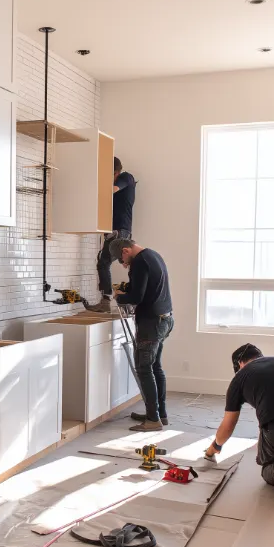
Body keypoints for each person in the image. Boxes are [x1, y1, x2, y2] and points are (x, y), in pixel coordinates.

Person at [205, 345, 274, 498]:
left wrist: (214, 447)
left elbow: (228, 425)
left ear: (240, 364)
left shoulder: (239, 378)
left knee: (267, 467)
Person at [109, 237, 174, 432]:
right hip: (164, 319)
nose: (123, 264)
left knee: (144, 369)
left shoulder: (139, 262)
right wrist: (128, 289)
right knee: (155, 368)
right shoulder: (153, 255)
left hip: (151, 323)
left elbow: (137, 297)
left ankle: (153, 420)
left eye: (121, 260)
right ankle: (160, 414)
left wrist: (120, 296)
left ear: (125, 251)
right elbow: (146, 288)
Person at [90, 157, 136, 313]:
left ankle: (107, 300)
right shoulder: (121, 181)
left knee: (103, 263)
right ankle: (130, 300)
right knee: (129, 264)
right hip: (120, 231)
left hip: (120, 231)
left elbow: (114, 189)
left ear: (115, 172)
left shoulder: (126, 177)